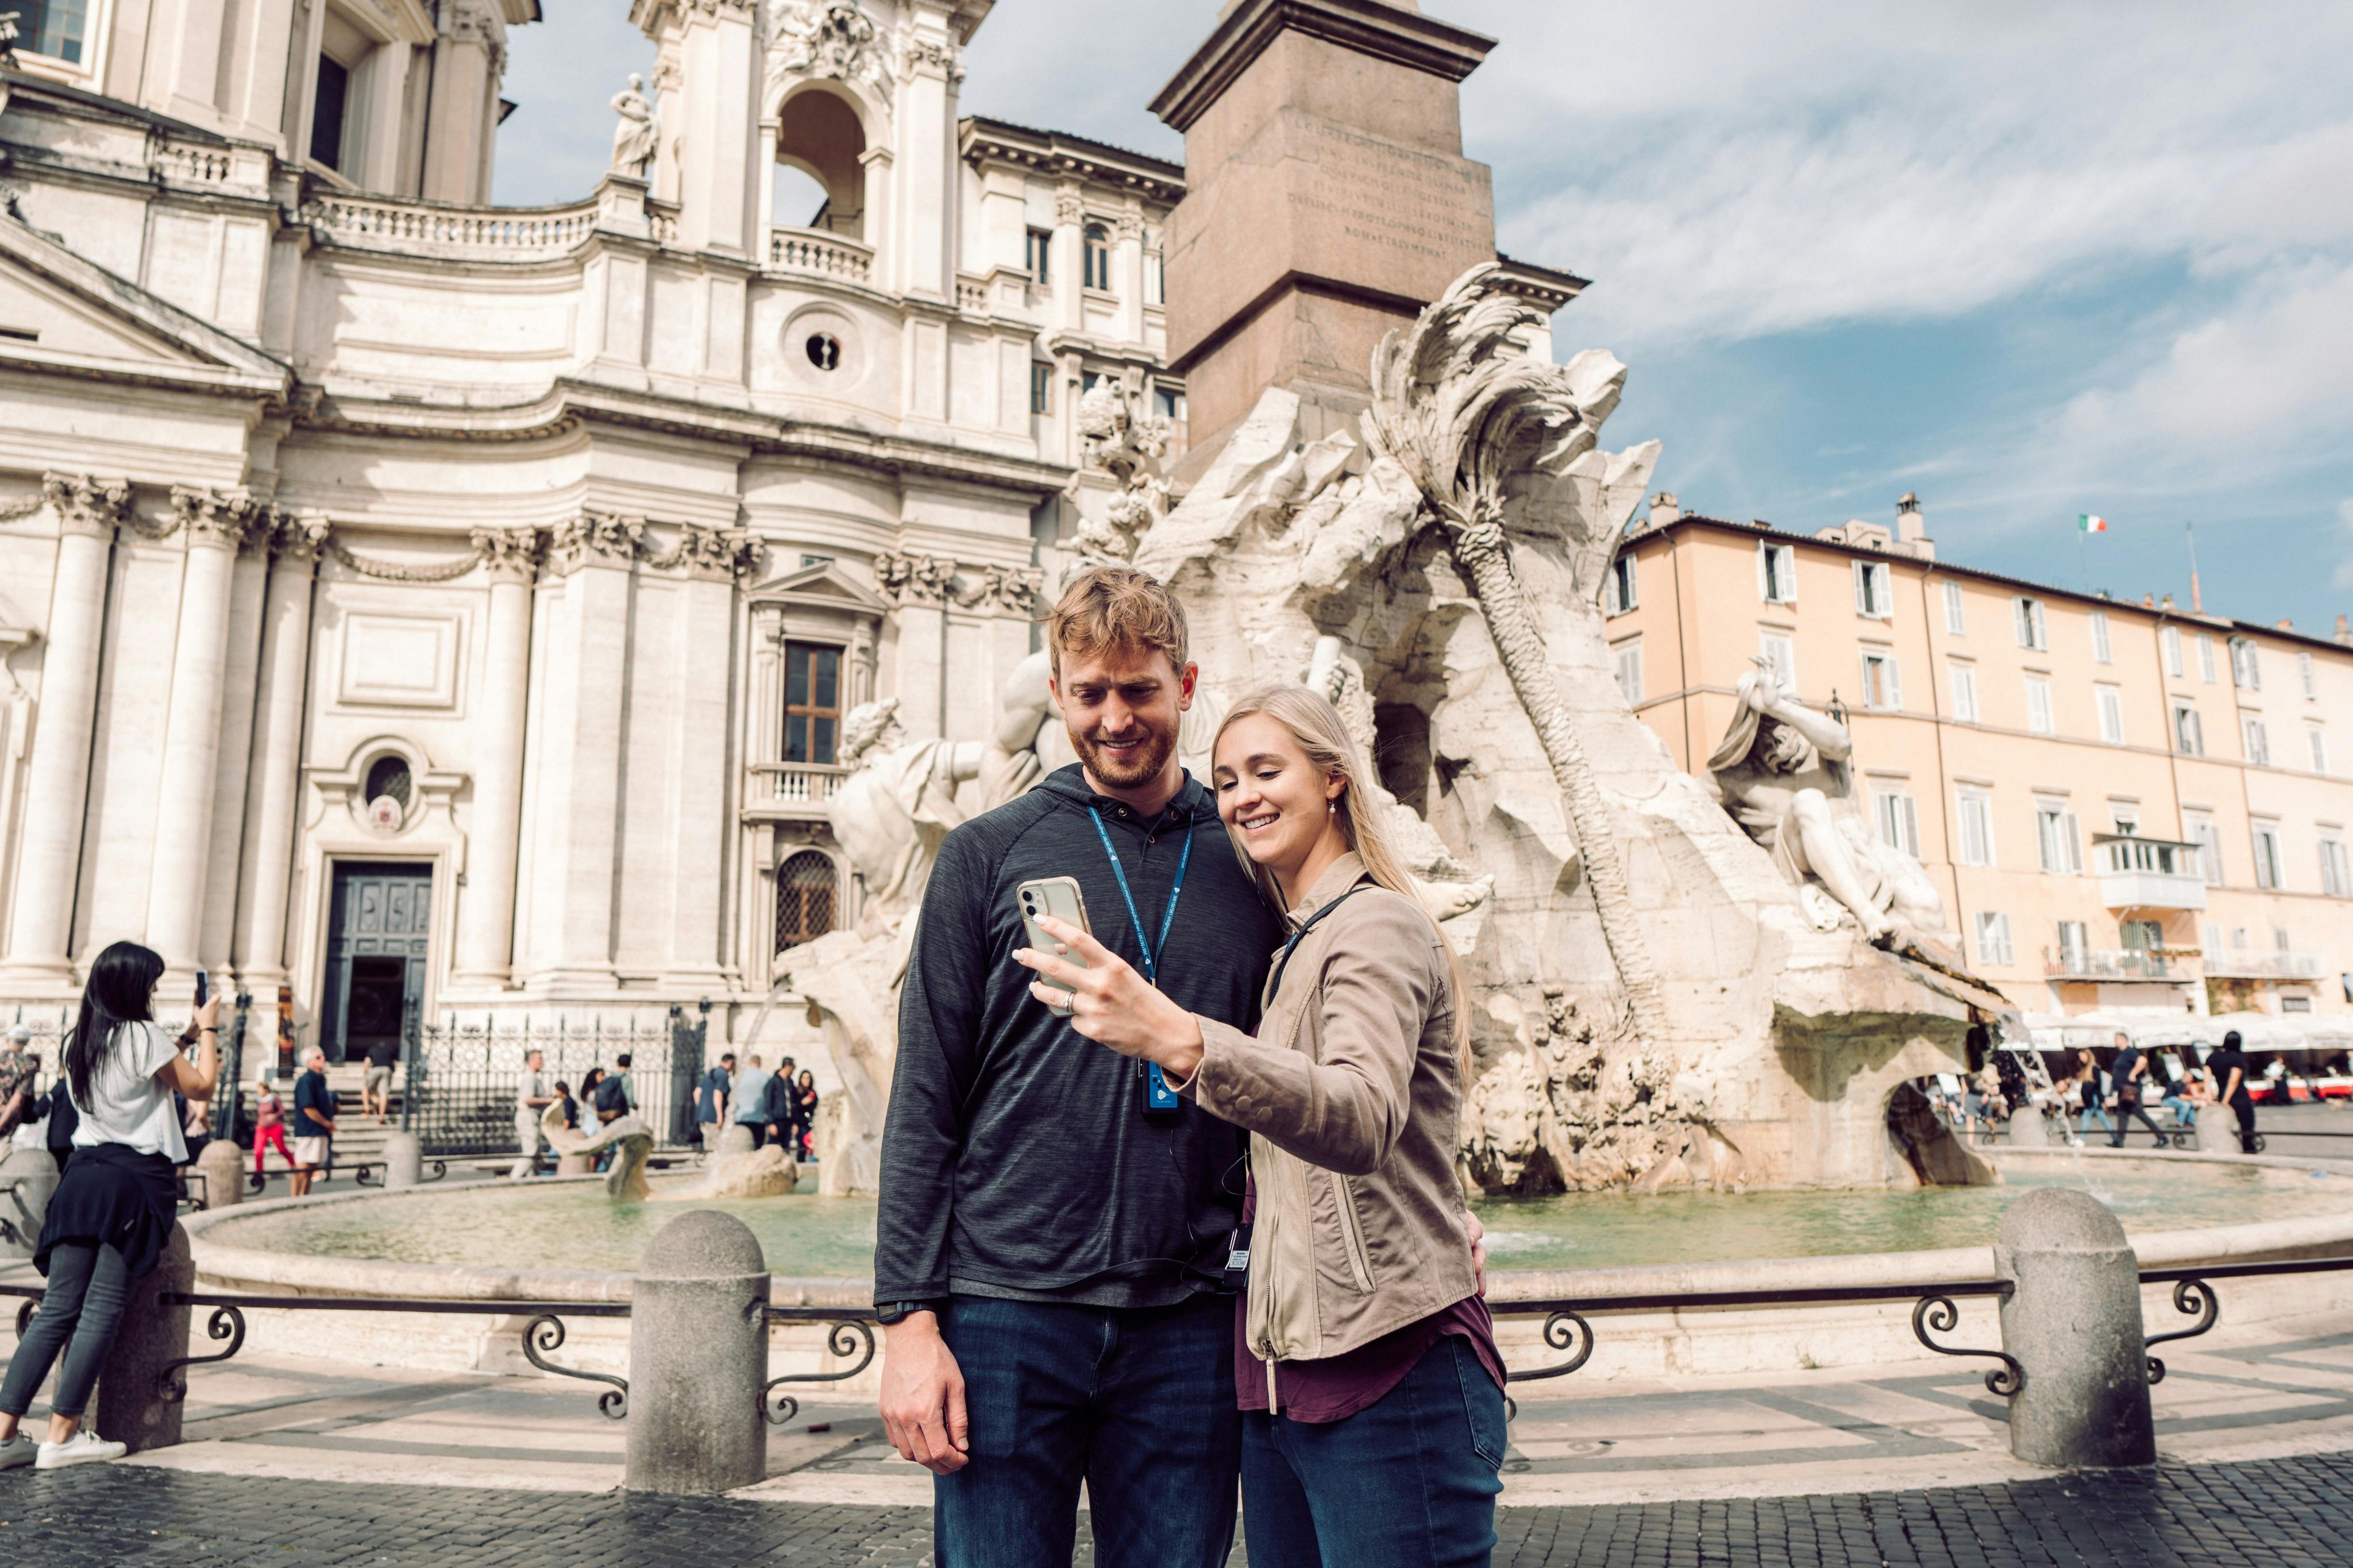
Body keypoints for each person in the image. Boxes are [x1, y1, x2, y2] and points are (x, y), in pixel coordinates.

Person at [1016, 681, 1502, 1566]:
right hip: (1283, 1380)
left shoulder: (1378, 925)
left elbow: (1360, 1113)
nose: (1242, 797)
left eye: (1267, 770)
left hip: (1390, 1368)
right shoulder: (1292, 946)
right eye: (1228, 777)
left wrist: (1183, 1039)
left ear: (1333, 780)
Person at [875, 565, 1290, 1568]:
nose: (1115, 718)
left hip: (1191, 1316)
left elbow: (1309, 1082)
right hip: (1006, 1313)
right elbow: (923, 1098)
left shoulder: (1254, 861)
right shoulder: (985, 852)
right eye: (1091, 693)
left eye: (1140, 690)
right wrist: (906, 1323)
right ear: (1057, 694)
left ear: (1185, 687)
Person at [0, 940, 218, 1470]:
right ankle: (63, 1434)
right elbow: (201, 1087)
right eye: (151, 983)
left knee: (56, 1311)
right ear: (131, 986)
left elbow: (146, 1069)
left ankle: (3, 1433)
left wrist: (184, 1035)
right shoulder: (144, 1036)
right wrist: (209, 1029)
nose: (154, 991)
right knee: (100, 1309)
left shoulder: (81, 1040)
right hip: (132, 1182)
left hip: (83, 1180)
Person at [2108, 1031, 2166, 1148]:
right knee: (2122, 1114)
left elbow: (2142, 1060)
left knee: (2139, 1113)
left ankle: (2162, 1137)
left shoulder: (2129, 1052)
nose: (2115, 1042)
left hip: (2131, 1089)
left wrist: (2133, 1074)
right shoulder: (2121, 1054)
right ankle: (2119, 1141)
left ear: (2124, 1040)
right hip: (2124, 1089)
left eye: (2117, 1039)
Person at [290, 1047, 334, 1196]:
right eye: (318, 1057)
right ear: (309, 1062)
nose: (323, 1059)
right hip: (308, 1130)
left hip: (318, 1130)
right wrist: (326, 1123)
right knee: (303, 1167)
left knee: (311, 1167)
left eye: (322, 1056)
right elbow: (308, 1108)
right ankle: (295, 1199)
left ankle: (303, 1198)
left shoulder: (320, 1080)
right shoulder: (306, 1081)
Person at [2208, 1032, 2258, 1154]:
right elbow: (2234, 1082)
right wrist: (2226, 1102)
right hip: (2240, 1100)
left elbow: (2207, 1081)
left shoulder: (2212, 1058)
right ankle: (2249, 1154)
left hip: (2221, 1099)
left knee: (2226, 1131)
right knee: (2247, 1131)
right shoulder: (2237, 1058)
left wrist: (2210, 1099)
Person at [511, 1049, 555, 1179]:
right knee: (531, 1151)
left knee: (534, 1151)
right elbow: (527, 1099)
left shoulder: (534, 1077)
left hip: (531, 1117)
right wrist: (548, 1101)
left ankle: (530, 1179)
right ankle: (514, 1178)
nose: (542, 1062)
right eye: (539, 1059)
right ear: (531, 1061)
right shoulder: (530, 1077)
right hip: (527, 1116)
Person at [252, 1077, 293, 1178]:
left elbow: (282, 1110)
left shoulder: (273, 1098)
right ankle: (259, 1171)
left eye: (260, 1089)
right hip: (262, 1127)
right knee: (259, 1150)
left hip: (274, 1126)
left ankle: (292, 1163)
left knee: (281, 1149)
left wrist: (275, 1115)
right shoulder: (258, 1100)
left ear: (266, 1090)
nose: (259, 1091)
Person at [732, 1055, 775, 1149]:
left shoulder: (739, 1077)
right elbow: (769, 1098)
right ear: (760, 1064)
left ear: (749, 1063)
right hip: (759, 1118)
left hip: (740, 1117)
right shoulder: (766, 1077)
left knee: (741, 1148)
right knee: (757, 1148)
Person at [2071, 1048, 2112, 1144]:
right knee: (2104, 1120)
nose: (2081, 1059)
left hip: (2093, 1098)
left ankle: (2081, 1140)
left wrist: (2101, 1100)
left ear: (2088, 1056)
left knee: (2086, 1117)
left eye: (2083, 1056)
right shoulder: (2086, 1069)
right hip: (2091, 1099)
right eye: (2080, 1057)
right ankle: (2115, 1138)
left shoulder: (2094, 1068)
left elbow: (2098, 1086)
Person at [0, 1025, 34, 1141]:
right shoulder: (28, 1065)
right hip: (7, 1124)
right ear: (26, 1043)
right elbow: (17, 1100)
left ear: (7, 1039)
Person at [696, 1052, 736, 1146]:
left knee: (707, 1144)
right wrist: (720, 1115)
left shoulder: (711, 1073)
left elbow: (697, 1093)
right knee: (714, 1146)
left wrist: (702, 1107)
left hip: (703, 1116)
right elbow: (718, 1094)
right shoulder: (723, 1075)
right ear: (730, 1062)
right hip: (713, 1117)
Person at [360, 1033, 400, 1121]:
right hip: (387, 1069)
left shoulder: (373, 1049)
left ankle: (367, 1110)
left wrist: (365, 1074)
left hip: (376, 1069)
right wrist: (392, 1073)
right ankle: (381, 1117)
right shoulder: (391, 1049)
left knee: (365, 1087)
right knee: (384, 1093)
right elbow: (394, 1064)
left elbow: (367, 1062)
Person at [792, 1069, 819, 1159]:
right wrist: (802, 1103)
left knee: (812, 1146)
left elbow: (816, 1108)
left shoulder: (812, 1093)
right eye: (804, 1078)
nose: (806, 1080)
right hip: (801, 1124)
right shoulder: (797, 1091)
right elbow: (794, 1108)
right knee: (803, 1146)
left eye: (808, 1078)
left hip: (811, 1123)